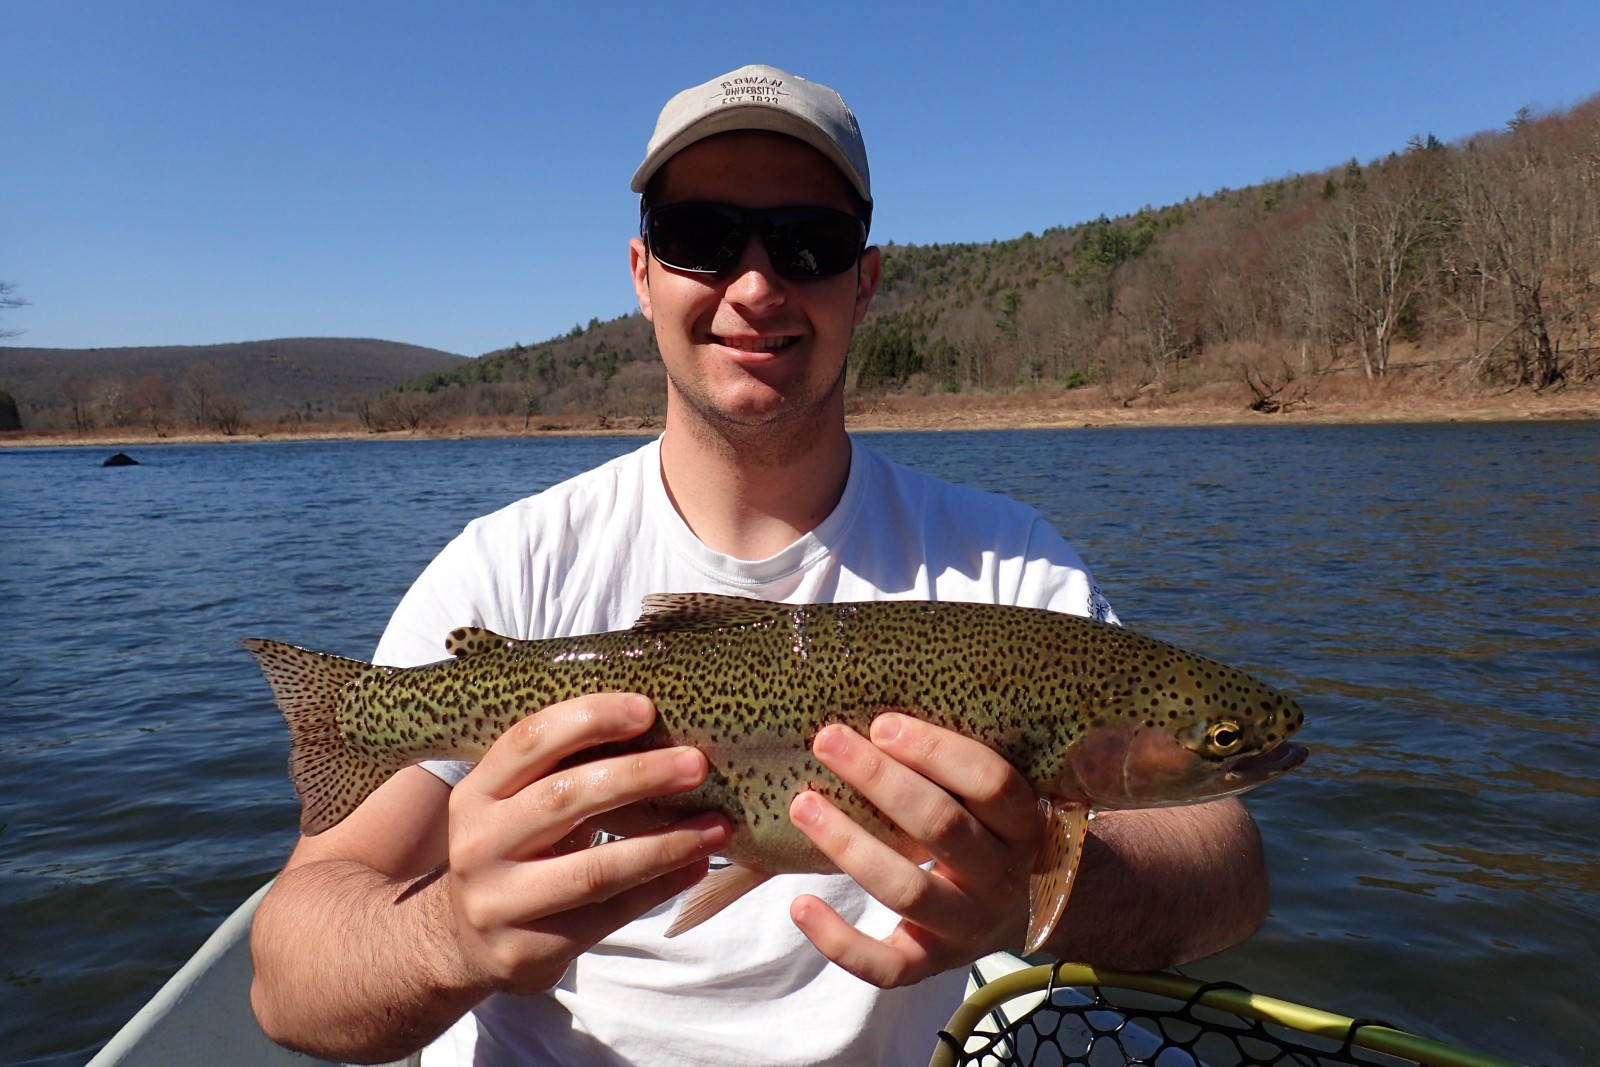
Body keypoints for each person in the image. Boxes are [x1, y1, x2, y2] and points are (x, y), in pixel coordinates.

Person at [248, 64, 1269, 1067]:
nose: (753, 285)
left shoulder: (1003, 566)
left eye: (807, 243)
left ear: (863, 281)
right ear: (643, 272)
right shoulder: (508, 568)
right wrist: (450, 937)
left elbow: (1226, 868)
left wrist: (1039, 882)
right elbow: (290, 977)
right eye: (701, 238)